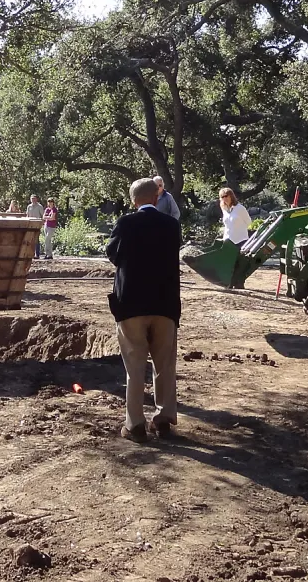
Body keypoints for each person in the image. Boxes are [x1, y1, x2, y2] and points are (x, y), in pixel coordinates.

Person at [107, 177, 183, 443]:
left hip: (132, 305)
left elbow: (113, 254)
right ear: (155, 198)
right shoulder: (171, 226)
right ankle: (163, 420)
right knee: (164, 365)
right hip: (165, 304)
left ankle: (135, 424)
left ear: (133, 200)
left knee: (135, 366)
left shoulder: (126, 224)